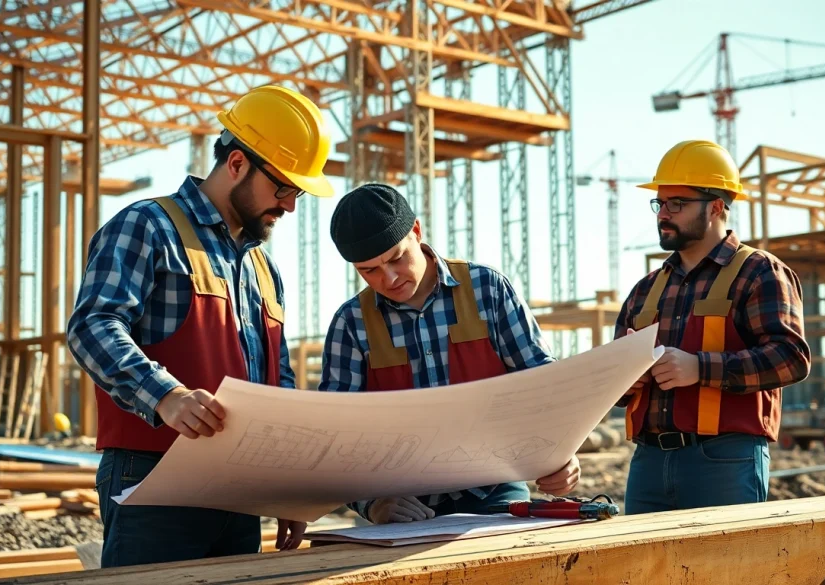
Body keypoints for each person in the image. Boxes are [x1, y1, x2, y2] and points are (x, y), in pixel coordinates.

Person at [66, 85, 334, 567]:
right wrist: (166, 396)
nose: (290, 205)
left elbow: (279, 384)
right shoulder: (147, 226)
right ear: (236, 164)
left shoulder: (263, 271)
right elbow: (93, 325)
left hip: (240, 493)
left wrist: (290, 487)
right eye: (283, 188)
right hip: (153, 480)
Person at [318, 183, 581, 525]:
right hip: (400, 504)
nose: (390, 278)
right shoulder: (351, 324)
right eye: (369, 271)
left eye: (397, 258)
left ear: (416, 230)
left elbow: (543, 384)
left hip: (495, 491)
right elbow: (336, 435)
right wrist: (372, 504)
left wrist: (561, 453)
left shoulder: (487, 290)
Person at [614, 139, 811, 514]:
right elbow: (612, 387)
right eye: (660, 203)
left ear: (717, 207)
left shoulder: (759, 272)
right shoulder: (645, 290)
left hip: (724, 461)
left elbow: (791, 358)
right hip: (648, 462)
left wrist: (698, 368)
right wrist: (623, 378)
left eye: (678, 204)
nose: (663, 214)